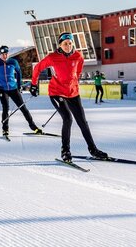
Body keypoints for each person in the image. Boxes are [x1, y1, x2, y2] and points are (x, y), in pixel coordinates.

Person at [30, 32, 108, 163]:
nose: (68, 46)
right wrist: (33, 84)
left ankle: (93, 149)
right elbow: (37, 68)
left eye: (70, 43)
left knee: (82, 121)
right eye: (65, 43)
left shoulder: (78, 56)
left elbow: (77, 71)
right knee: (67, 119)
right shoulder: (53, 57)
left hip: (72, 93)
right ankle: (65, 150)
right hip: (56, 92)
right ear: (60, 44)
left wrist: (73, 82)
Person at [0, 45, 42, 137]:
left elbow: (19, 72)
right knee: (5, 108)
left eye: (6, 53)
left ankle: (34, 127)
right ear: (0, 54)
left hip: (13, 89)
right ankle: (5, 130)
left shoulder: (13, 62)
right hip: (2, 89)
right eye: (3, 54)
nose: (5, 56)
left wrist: (19, 86)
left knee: (23, 108)